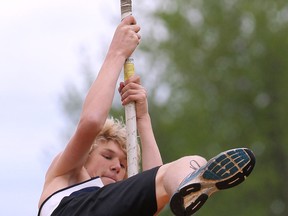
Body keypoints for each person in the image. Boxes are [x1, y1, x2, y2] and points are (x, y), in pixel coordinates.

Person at [38, 16, 255, 216]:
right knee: (165, 177)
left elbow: (156, 193)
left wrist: (143, 118)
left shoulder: (115, 202)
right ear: (85, 156)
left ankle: (189, 189)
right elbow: (92, 122)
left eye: (123, 166)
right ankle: (186, 185)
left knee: (193, 163)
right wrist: (117, 52)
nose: (116, 167)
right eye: (107, 156)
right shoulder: (65, 175)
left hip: (111, 208)